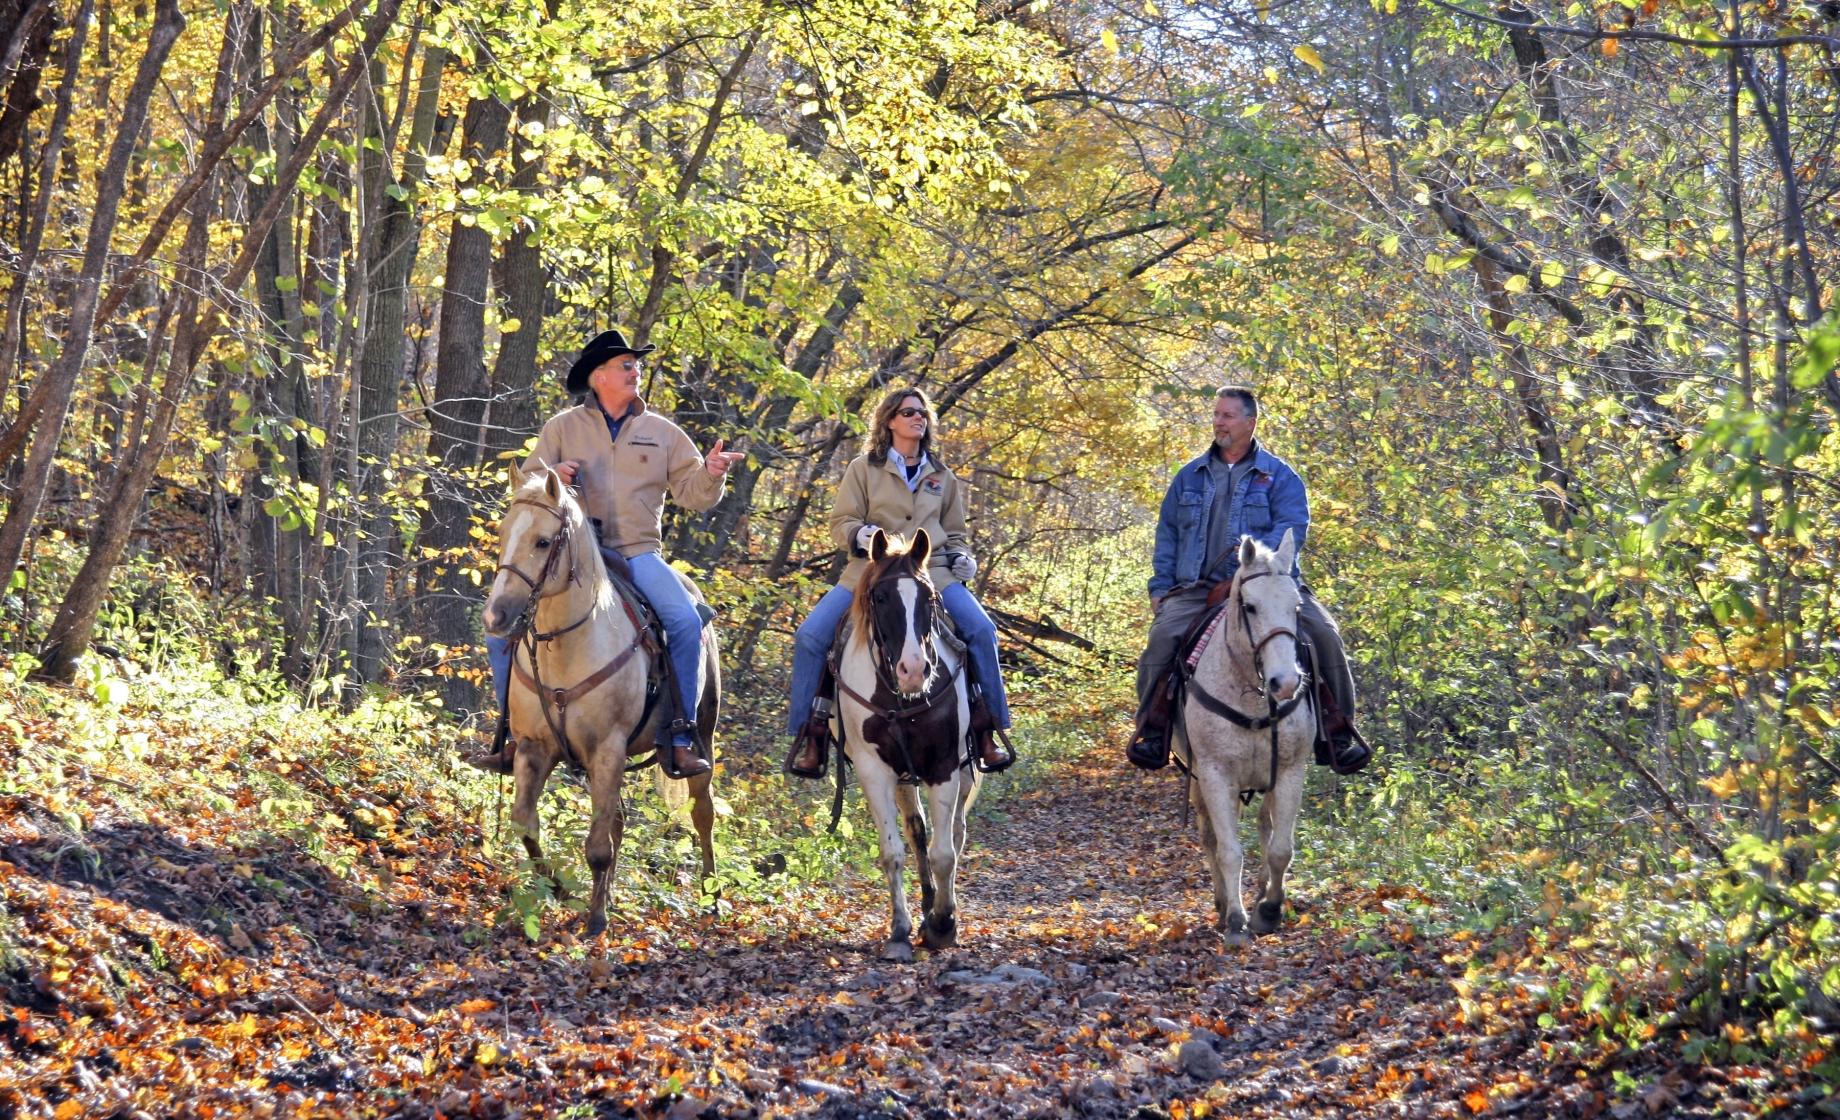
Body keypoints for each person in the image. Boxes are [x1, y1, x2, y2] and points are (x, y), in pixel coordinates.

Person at [467, 328, 744, 778]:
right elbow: (529, 489)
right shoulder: (562, 427)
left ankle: (678, 736)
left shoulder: (663, 433)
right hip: (569, 559)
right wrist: (550, 472)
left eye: (636, 364)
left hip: (637, 553)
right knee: (499, 631)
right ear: (599, 377)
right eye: (626, 365)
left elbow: (694, 496)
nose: (636, 371)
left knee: (686, 620)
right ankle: (512, 735)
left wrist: (711, 473)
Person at [1125, 385, 1372, 774]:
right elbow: (1168, 534)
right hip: (1196, 588)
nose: (1218, 422)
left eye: (1227, 416)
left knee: (1325, 635)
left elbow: (1292, 529)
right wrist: (1160, 589)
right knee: (1160, 641)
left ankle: (1337, 733)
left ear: (1250, 422)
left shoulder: (1280, 477)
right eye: (1217, 415)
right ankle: (1152, 731)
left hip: (1266, 584)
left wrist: (1249, 572)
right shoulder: (1189, 477)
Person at [785, 388, 1014, 778]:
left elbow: (955, 533)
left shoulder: (942, 476)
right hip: (869, 574)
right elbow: (841, 523)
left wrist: (962, 557)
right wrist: (859, 536)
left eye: (922, 413)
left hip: (932, 574)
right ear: (889, 420)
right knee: (811, 636)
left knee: (981, 629)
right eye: (908, 412)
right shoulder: (863, 468)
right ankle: (812, 733)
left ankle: (986, 728)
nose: (918, 418)